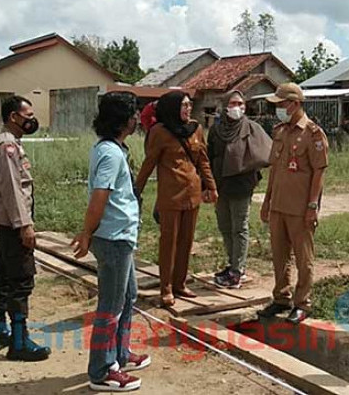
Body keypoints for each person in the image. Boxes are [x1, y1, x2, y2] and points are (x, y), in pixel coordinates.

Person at [71, 92, 151, 392]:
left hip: (121, 237)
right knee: (111, 307)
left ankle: (119, 353)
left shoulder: (113, 148)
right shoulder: (110, 153)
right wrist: (87, 232)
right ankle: (102, 370)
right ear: (123, 120)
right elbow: (100, 196)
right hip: (113, 239)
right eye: (134, 115)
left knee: (128, 297)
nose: (137, 120)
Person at [136, 91, 218, 307]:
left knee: (186, 241)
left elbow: (203, 161)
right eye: (183, 105)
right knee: (168, 242)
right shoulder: (159, 132)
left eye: (189, 105)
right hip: (170, 196)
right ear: (172, 108)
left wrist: (211, 186)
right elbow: (149, 163)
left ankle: (180, 283)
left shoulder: (196, 128)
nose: (188, 109)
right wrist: (136, 190)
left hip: (193, 193)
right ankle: (166, 288)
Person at [0, 95, 50, 361]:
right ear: (13, 117)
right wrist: (24, 225)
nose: (32, 120)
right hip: (12, 222)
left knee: (2, 274)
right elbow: (12, 188)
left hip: (2, 220)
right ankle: (20, 341)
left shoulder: (6, 142)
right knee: (21, 278)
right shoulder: (7, 146)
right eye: (28, 116)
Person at [258, 83, 329, 325]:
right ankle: (281, 298)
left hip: (300, 209)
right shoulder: (280, 132)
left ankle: (302, 303)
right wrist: (266, 201)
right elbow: (275, 171)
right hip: (278, 205)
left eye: (281, 104)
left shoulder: (313, 134)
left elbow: (319, 173)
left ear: (294, 103)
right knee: (279, 256)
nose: (278, 108)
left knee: (303, 258)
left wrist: (312, 206)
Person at [207, 91, 271, 289]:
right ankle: (231, 263)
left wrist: (246, 165)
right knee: (225, 226)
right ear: (225, 105)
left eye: (241, 103)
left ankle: (238, 270)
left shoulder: (252, 127)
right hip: (220, 184)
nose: (237, 107)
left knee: (239, 226)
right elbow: (209, 156)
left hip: (242, 184)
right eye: (233, 103)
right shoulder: (216, 130)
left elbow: (266, 153)